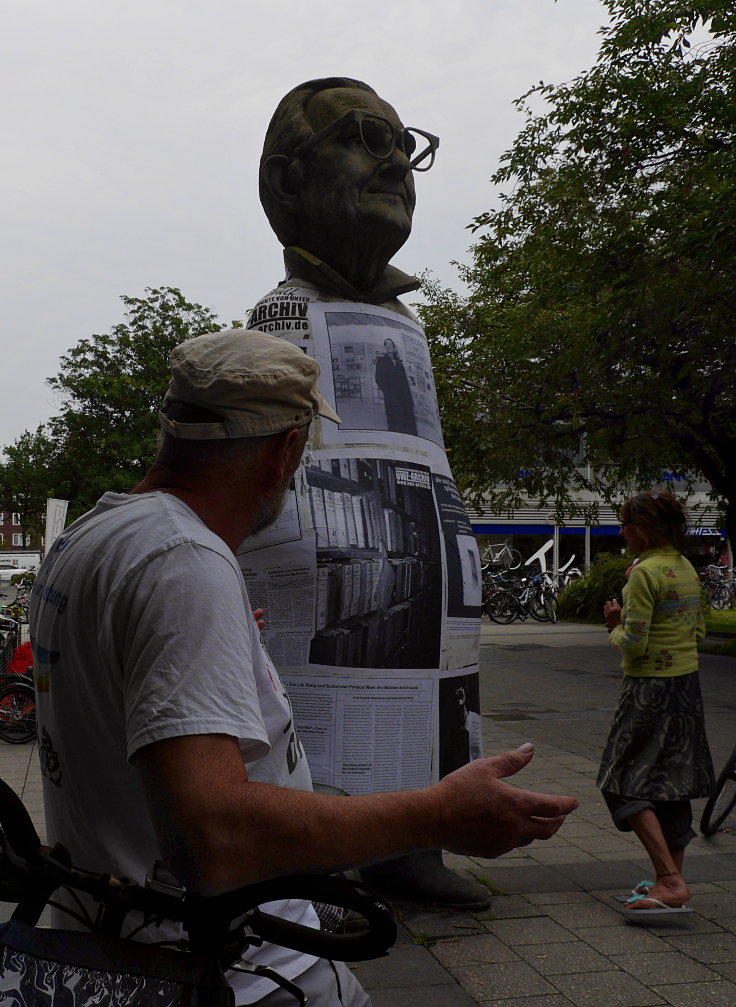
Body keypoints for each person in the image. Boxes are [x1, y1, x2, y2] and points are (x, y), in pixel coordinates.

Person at [30, 330, 578, 1007]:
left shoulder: (92, 534)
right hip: (234, 976)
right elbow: (215, 835)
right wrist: (438, 815)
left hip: (111, 952)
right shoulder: (184, 563)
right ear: (285, 449)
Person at [247, 77, 487, 909]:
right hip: (322, 601)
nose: (394, 162)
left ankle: (408, 844)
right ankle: (314, 852)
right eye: (362, 136)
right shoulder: (279, 315)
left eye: (403, 143)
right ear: (288, 180)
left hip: (419, 605)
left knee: (418, 731)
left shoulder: (408, 328)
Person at [599, 491, 714, 914]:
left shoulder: (643, 574)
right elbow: (698, 634)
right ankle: (672, 882)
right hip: (687, 688)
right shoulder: (686, 569)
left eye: (625, 524)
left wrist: (613, 627)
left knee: (620, 780)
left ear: (643, 529)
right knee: (671, 783)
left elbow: (634, 644)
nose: (621, 532)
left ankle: (668, 880)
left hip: (649, 691)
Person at [373, 337, 417, 435]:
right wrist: (388, 391)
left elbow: (405, 383)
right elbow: (378, 378)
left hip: (404, 399)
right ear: (385, 347)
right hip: (391, 398)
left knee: (408, 424)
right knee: (395, 422)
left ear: (394, 346)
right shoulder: (381, 361)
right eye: (387, 344)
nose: (389, 346)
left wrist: (410, 401)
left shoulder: (399, 364)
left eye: (390, 344)